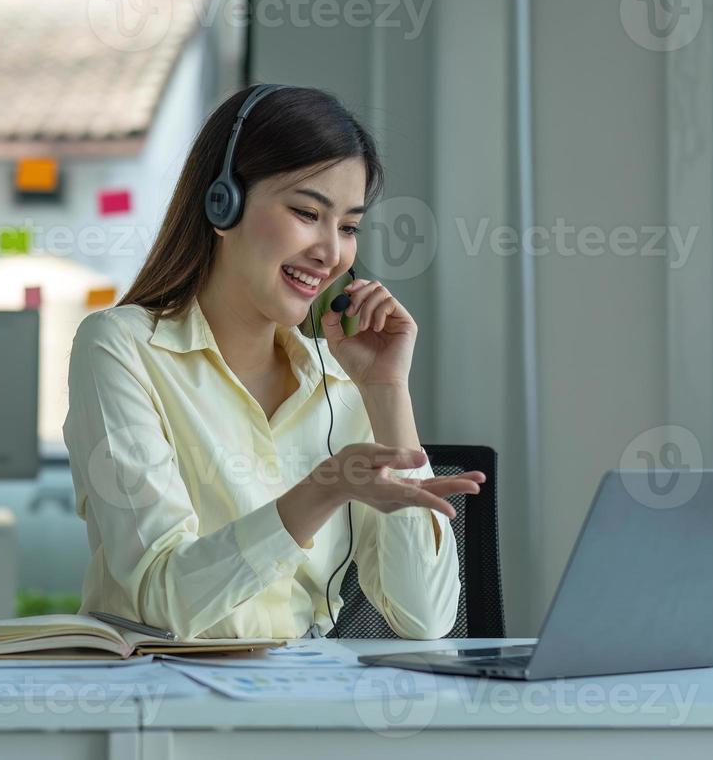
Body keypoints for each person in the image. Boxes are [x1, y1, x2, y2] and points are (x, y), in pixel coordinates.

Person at [63, 84, 486, 641]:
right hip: (161, 703)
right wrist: (322, 489)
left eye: (350, 226)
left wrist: (386, 390)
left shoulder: (343, 379)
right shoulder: (121, 348)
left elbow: (426, 618)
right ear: (223, 204)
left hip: (303, 705)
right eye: (308, 212)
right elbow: (163, 603)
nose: (331, 252)